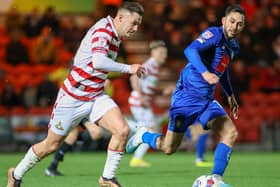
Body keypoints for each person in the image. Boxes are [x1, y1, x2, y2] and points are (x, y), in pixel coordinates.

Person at [7, 2, 145, 187]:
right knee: (51, 145)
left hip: (95, 95)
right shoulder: (103, 30)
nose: (136, 28)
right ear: (120, 17)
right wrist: (129, 68)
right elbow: (98, 61)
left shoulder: (115, 34)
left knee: (122, 130)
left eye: (139, 24)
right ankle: (16, 175)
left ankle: (107, 178)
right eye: (134, 23)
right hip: (73, 97)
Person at [126, 4, 246, 187]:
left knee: (230, 133)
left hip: (206, 101)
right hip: (186, 99)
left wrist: (230, 94)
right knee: (168, 148)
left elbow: (223, 70)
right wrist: (205, 73)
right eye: (231, 21)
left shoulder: (233, 47)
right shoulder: (214, 34)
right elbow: (190, 50)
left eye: (239, 24)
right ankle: (144, 135)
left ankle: (215, 180)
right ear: (223, 20)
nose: (234, 27)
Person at [128, 40, 168, 167]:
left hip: (143, 103)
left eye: (165, 53)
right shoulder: (149, 65)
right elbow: (134, 77)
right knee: (151, 129)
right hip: (139, 102)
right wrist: (140, 96)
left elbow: (148, 85)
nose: (164, 56)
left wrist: (162, 91)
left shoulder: (154, 67)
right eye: (161, 52)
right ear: (153, 53)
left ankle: (137, 158)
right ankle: (127, 123)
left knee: (151, 129)